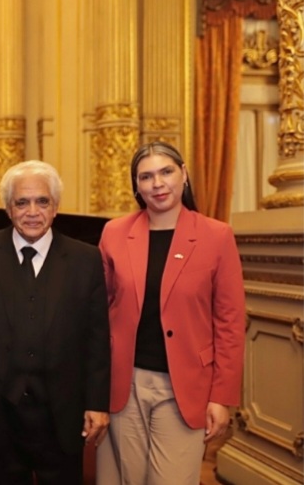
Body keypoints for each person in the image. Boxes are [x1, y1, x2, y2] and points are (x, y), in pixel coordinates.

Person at [96, 141, 245, 484]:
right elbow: (97, 311)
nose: (157, 183)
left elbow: (230, 323)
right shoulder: (114, 233)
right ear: (136, 185)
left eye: (166, 172)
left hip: (185, 387)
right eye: (146, 176)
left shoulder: (216, 235)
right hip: (123, 383)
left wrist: (222, 398)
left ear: (184, 174)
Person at [0, 160, 111, 484]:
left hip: (63, 414)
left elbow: (97, 340)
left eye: (42, 201)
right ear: (8, 208)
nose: (32, 211)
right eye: (22, 202)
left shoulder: (86, 259)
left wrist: (97, 403)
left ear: (56, 206)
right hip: (1, 412)